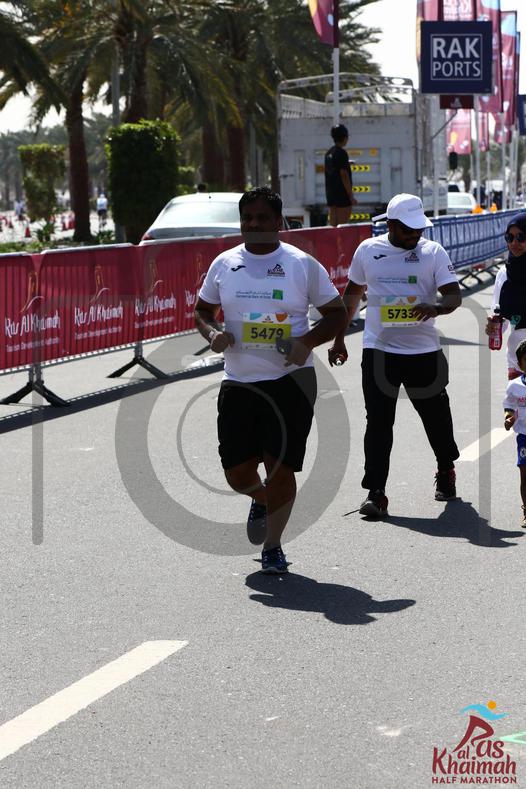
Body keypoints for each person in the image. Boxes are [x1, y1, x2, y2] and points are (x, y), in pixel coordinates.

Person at [194, 186, 347, 572]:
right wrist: (213, 333)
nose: (254, 224)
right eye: (247, 218)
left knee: (280, 468)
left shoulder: (301, 264)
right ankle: (261, 501)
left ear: (278, 222)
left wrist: (306, 342)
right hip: (239, 382)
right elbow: (202, 310)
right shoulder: (225, 264)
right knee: (237, 473)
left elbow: (337, 313)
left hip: (290, 382)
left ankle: (273, 546)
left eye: (263, 217)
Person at [328, 193, 462, 517]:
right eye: (407, 229)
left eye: (419, 229)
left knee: (436, 417)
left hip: (423, 352)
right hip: (379, 350)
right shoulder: (368, 250)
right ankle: (376, 492)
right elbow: (352, 296)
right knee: (378, 421)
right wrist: (339, 338)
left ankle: (446, 466)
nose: (415, 235)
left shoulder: (433, 252)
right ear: (390, 225)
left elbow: (453, 295)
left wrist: (437, 307)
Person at [485, 213, 526, 380]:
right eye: (509, 238)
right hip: (518, 361)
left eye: (521, 237)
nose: (514, 243)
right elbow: (501, 318)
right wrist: (493, 327)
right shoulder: (504, 273)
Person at [503, 339, 526, 527]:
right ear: (519, 364)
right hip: (524, 437)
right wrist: (508, 418)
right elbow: (509, 406)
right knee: (525, 474)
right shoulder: (514, 386)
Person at [324, 124, 356, 227]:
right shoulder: (342, 153)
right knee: (342, 226)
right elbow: (344, 174)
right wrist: (350, 196)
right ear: (344, 137)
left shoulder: (329, 153)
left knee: (333, 226)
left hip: (331, 194)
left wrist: (347, 163)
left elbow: (334, 168)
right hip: (342, 195)